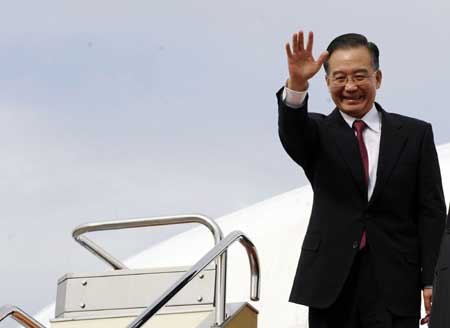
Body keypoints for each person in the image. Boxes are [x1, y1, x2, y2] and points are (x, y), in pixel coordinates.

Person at [277, 31, 446, 327]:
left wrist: (432, 280)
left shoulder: (416, 134)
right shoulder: (316, 132)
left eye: (360, 76)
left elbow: (430, 211)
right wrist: (298, 85)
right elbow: (292, 130)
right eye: (340, 78)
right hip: (331, 283)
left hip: (395, 281)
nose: (350, 87)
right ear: (327, 82)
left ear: (377, 78)